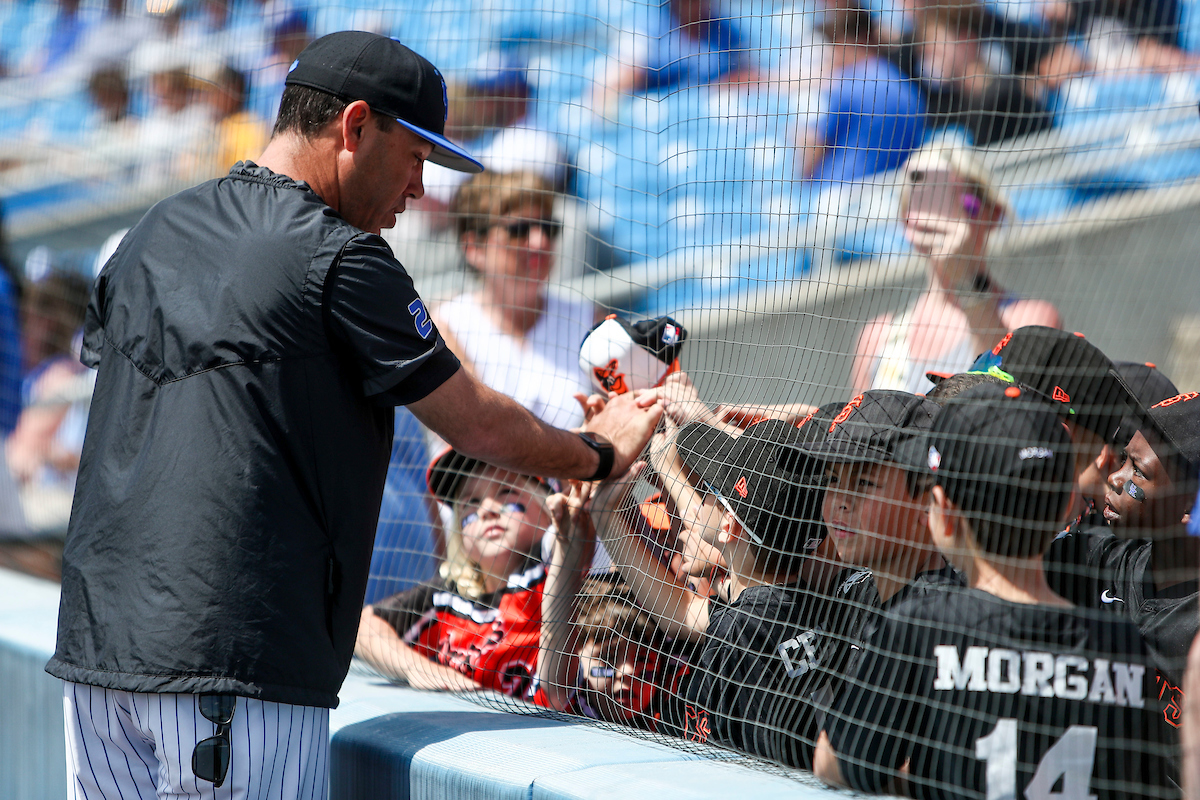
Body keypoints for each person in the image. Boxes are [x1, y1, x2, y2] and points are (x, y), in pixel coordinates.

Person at [47, 31, 661, 800]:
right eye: (415, 158)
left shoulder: (150, 233)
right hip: (235, 659)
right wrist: (599, 451)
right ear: (355, 126)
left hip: (97, 652)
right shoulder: (339, 253)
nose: (419, 189)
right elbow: (475, 424)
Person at [814, 382, 1178, 799]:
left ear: (943, 514)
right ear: (1065, 510)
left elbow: (838, 763)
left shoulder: (921, 624)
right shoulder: (1121, 645)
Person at [852, 144, 1061, 395]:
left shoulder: (1030, 320)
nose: (947, 216)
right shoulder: (877, 339)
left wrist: (966, 279)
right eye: (927, 203)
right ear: (907, 224)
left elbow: (1011, 400)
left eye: (962, 201)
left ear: (993, 213)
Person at [355, 450, 555, 695]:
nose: (487, 510)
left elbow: (569, 540)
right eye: (471, 501)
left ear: (548, 508)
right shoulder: (446, 597)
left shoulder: (553, 573)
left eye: (506, 492)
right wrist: (416, 667)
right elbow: (364, 626)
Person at [436, 169, 598, 430]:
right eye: (519, 230)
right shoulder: (446, 328)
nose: (540, 241)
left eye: (549, 228)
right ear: (474, 248)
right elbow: (478, 433)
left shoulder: (588, 320)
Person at [800, 2, 926, 184]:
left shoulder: (846, 84)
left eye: (834, 41)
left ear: (847, 41)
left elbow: (810, 155)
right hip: (889, 197)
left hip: (839, 198)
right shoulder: (906, 87)